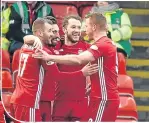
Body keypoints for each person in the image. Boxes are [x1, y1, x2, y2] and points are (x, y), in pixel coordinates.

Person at [33, 13, 120, 122]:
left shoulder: (93, 47)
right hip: (60, 102)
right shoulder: (55, 47)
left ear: (94, 27)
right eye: (73, 27)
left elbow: (79, 59)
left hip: (89, 102)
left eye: (82, 26)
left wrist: (49, 57)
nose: (81, 30)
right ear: (64, 29)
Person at [11, 17, 98, 122]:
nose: (54, 34)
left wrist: (94, 84)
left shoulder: (29, 45)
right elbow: (57, 75)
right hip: (40, 101)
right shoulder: (47, 51)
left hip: (45, 101)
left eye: (79, 27)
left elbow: (101, 66)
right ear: (65, 30)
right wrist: (82, 73)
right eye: (51, 31)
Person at [91, 1, 132, 74]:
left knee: (119, 56)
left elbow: (127, 31)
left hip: (116, 46)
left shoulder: (121, 14)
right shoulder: (90, 15)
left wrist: (111, 35)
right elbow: (83, 31)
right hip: (94, 45)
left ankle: (120, 80)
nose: (101, 1)